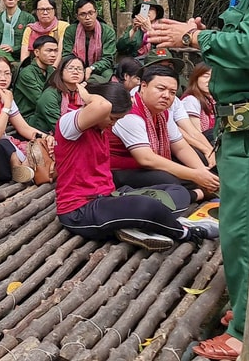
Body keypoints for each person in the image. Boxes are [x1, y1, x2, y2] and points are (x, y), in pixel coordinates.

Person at [149, 0, 249, 360]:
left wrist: (196, 38)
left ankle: (246, 332)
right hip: (245, 121)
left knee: (245, 224)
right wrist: (199, 35)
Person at [54, 81, 218, 251]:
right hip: (80, 210)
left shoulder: (100, 129)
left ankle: (140, 224)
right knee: (146, 206)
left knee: (175, 190)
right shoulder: (70, 124)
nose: (113, 124)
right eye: (112, 118)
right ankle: (187, 232)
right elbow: (103, 105)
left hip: (109, 196)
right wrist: (87, 95)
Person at [109, 64, 219, 203]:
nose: (166, 96)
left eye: (172, 92)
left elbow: (180, 147)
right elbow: (146, 159)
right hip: (118, 171)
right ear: (143, 86)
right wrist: (195, 176)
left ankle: (190, 192)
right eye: (160, 89)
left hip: (147, 167)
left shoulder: (163, 113)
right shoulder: (130, 114)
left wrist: (202, 172)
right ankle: (195, 194)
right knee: (169, 180)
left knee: (199, 163)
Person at [61, 0, 115, 82]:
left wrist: (91, 68)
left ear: (96, 13)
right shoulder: (71, 30)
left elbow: (108, 59)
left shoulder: (107, 31)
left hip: (99, 68)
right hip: (75, 67)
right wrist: (78, 69)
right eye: (83, 14)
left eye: (91, 13)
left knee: (108, 76)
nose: (87, 17)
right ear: (77, 16)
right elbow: (66, 55)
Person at [31, 54, 86, 134]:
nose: (75, 72)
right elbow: (59, 127)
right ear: (61, 72)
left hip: (74, 132)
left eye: (79, 69)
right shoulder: (50, 95)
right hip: (47, 135)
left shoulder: (83, 93)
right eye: (70, 68)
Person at [13, 35, 59, 122]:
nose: (53, 55)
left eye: (56, 51)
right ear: (37, 52)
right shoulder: (27, 73)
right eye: (48, 51)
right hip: (29, 117)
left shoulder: (51, 70)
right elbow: (41, 101)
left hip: (46, 112)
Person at [20, 0, 68, 66]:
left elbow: (60, 51)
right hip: (35, 68)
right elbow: (24, 56)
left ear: (54, 10)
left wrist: (53, 69)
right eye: (41, 9)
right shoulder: (30, 29)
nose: (45, 13)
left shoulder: (63, 26)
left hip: (57, 68)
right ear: (36, 12)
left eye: (48, 9)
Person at [181, 63, 215, 141]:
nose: (209, 80)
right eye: (206, 76)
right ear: (196, 78)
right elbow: (195, 134)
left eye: (213, 77)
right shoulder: (190, 100)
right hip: (200, 143)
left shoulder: (212, 99)